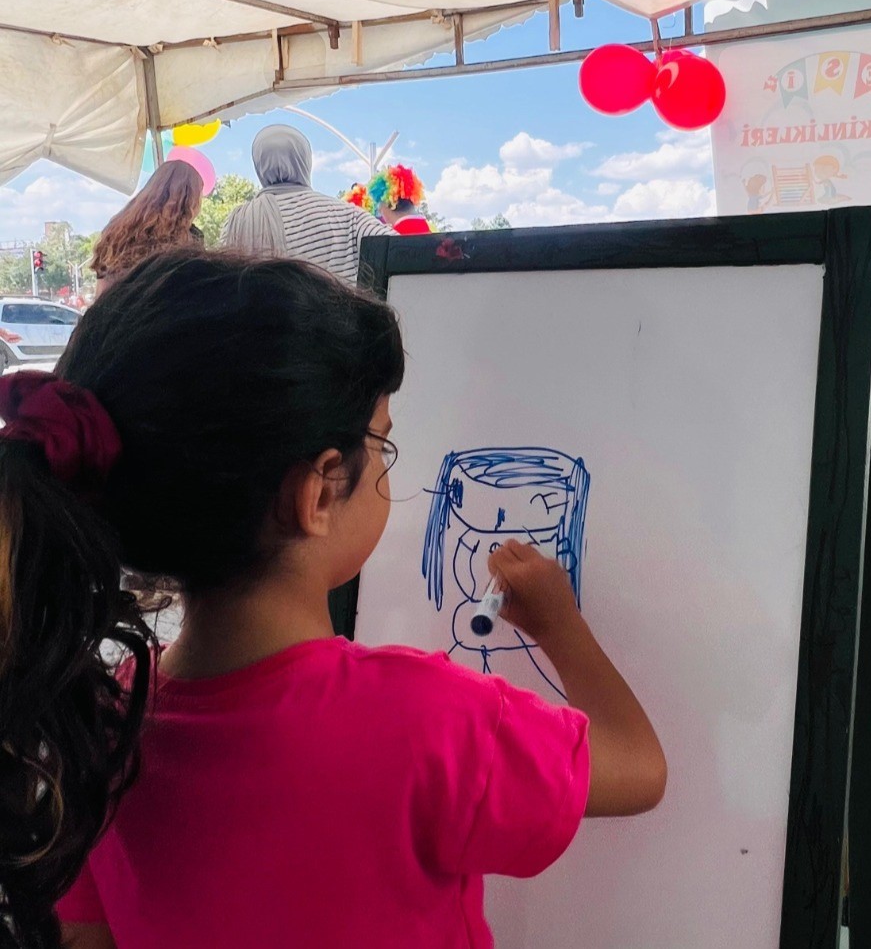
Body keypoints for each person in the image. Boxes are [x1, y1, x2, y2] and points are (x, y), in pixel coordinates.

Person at [0, 251, 665, 948]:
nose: (386, 464)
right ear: (318, 491)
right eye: (383, 444)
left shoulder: (100, 724)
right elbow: (638, 767)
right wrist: (559, 624)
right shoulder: (429, 721)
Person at [222, 125, 393, 283]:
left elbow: (225, 280)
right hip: (337, 315)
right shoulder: (348, 216)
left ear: (258, 164)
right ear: (305, 161)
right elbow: (403, 252)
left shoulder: (237, 221)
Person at [89, 160, 204, 295]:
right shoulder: (189, 240)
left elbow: (101, 288)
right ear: (190, 199)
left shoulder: (117, 230)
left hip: (112, 312)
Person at [367, 163, 434, 235]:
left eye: (379, 208)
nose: (381, 214)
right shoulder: (434, 235)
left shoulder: (389, 238)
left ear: (388, 203)